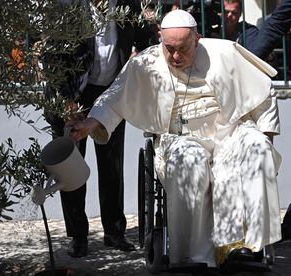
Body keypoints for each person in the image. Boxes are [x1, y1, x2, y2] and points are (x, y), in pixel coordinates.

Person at [68, 9, 282, 267]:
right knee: (189, 160)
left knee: (257, 147)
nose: (176, 56)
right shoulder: (146, 63)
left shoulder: (224, 53)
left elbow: (262, 92)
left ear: (197, 39)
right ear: (160, 39)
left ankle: (247, 247)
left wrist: (266, 137)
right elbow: (114, 98)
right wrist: (89, 124)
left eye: (183, 48)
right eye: (170, 49)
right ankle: (194, 255)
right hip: (181, 137)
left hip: (229, 133)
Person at [44, 0, 150, 258]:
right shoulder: (67, 5)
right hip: (73, 91)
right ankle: (78, 236)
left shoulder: (128, 4)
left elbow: (145, 38)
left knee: (112, 164)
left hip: (111, 91)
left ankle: (114, 232)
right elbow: (53, 56)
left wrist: (141, 57)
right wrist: (67, 101)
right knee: (71, 167)